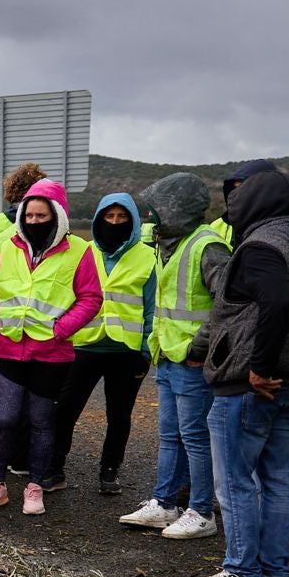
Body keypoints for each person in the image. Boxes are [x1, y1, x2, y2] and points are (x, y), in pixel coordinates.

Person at [185, 167, 289, 577]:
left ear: (258, 202)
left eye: (241, 196)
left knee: (234, 479)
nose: (234, 203)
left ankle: (241, 574)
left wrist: (258, 367)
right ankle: (273, 575)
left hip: (254, 384)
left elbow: (277, 302)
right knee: (279, 478)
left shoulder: (261, 245)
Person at [0, 180, 102, 515]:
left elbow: (91, 298)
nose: (33, 220)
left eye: (40, 214)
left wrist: (59, 330)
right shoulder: (8, 247)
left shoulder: (79, 251)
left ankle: (34, 488)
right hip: (9, 348)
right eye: (28, 214)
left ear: (57, 215)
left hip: (51, 354)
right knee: (4, 419)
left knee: (41, 421)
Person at [118, 174, 230, 538]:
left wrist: (200, 348)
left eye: (157, 209)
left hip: (191, 361)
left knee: (195, 437)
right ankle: (165, 503)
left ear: (175, 208)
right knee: (170, 435)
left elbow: (227, 305)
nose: (152, 217)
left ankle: (201, 512)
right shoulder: (170, 244)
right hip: (168, 356)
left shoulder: (207, 247)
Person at [48, 193, 158, 495]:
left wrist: (146, 352)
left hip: (127, 351)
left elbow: (152, 308)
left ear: (132, 221)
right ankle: (54, 467)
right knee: (66, 409)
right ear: (98, 220)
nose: (114, 223)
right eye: (108, 217)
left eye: (122, 218)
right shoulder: (82, 252)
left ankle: (110, 470)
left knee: (119, 415)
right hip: (83, 347)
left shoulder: (148, 257)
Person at [0, 163, 48, 454]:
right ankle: (31, 441)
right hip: (43, 317)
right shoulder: (54, 221)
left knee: (0, 380)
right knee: (38, 382)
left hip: (2, 318)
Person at [207, 159, 278, 243]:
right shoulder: (217, 226)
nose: (237, 193)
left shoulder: (280, 228)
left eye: (244, 188)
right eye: (235, 188)